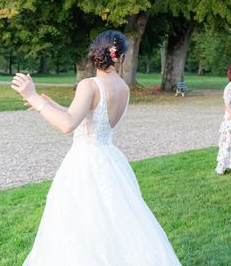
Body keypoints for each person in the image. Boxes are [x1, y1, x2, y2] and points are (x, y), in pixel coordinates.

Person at [10, 30, 181, 265]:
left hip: (84, 163)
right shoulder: (124, 88)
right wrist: (50, 104)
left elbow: (68, 124)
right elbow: (86, 118)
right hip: (109, 158)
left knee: (81, 228)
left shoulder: (89, 85)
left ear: (96, 53)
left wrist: (34, 98)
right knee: (114, 224)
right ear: (119, 57)